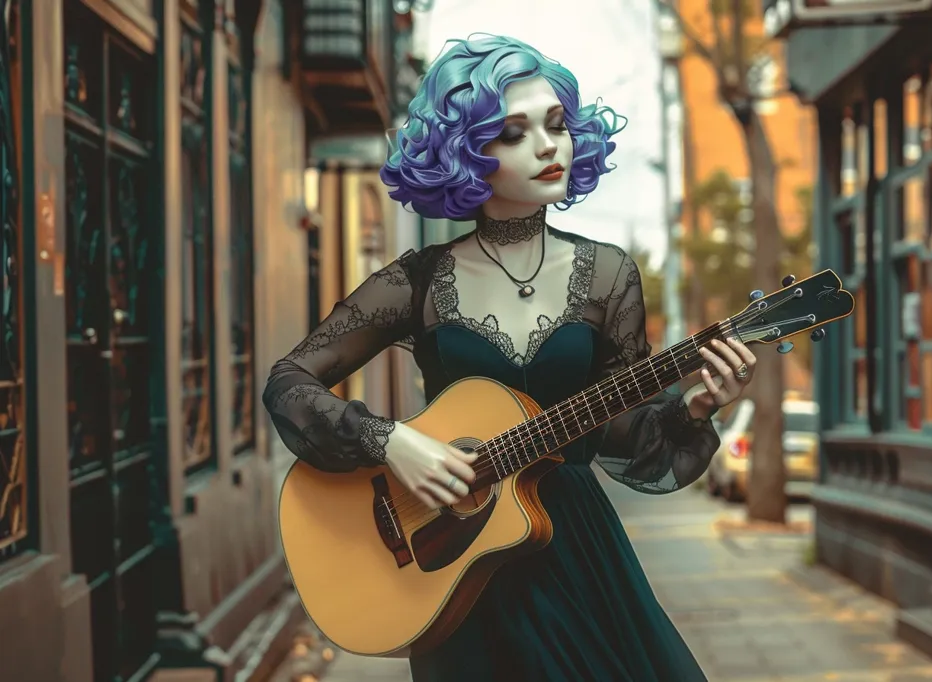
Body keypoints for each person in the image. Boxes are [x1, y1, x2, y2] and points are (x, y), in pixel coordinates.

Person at [262, 34, 758, 682]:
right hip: (451, 567)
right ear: (466, 153)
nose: (548, 146)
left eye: (556, 125)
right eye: (514, 133)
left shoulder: (608, 275)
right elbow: (288, 381)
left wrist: (693, 408)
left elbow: (624, 434)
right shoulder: (418, 280)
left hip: (574, 550)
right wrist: (391, 443)